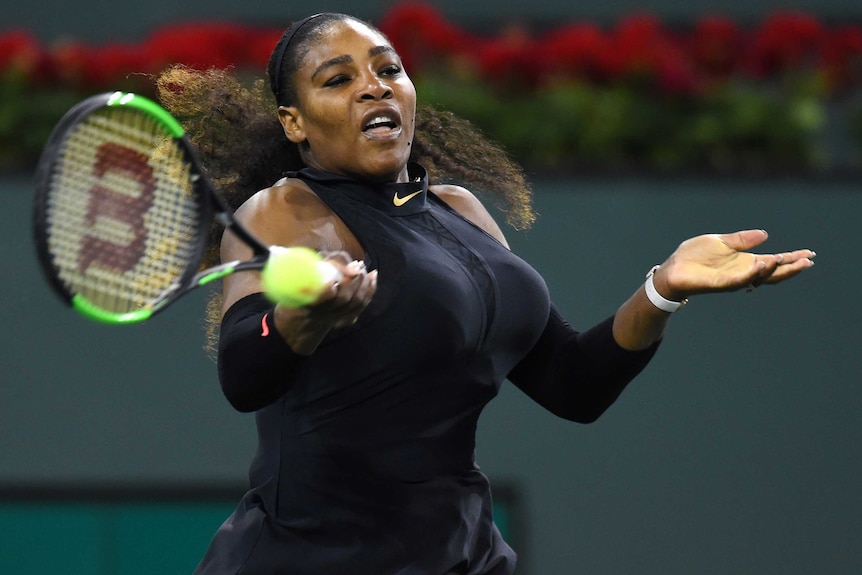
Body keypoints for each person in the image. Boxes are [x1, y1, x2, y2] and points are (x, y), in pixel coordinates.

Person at [156, 12, 815, 575]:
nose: (373, 88)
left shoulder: (459, 211)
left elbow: (571, 382)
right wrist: (302, 321)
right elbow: (244, 370)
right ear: (295, 122)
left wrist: (663, 289)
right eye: (339, 79)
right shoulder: (286, 212)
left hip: (460, 554)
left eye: (389, 69)